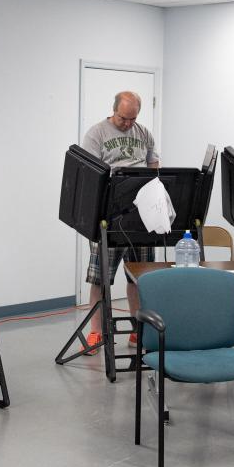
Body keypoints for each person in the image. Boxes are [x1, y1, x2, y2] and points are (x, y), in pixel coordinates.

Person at [79, 91, 160, 355]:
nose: (128, 124)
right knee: (101, 279)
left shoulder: (144, 132)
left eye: (133, 118)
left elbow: (154, 165)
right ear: (114, 110)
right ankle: (95, 333)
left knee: (139, 277)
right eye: (124, 118)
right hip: (109, 218)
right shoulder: (96, 134)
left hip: (141, 217)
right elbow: (90, 175)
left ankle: (139, 331)